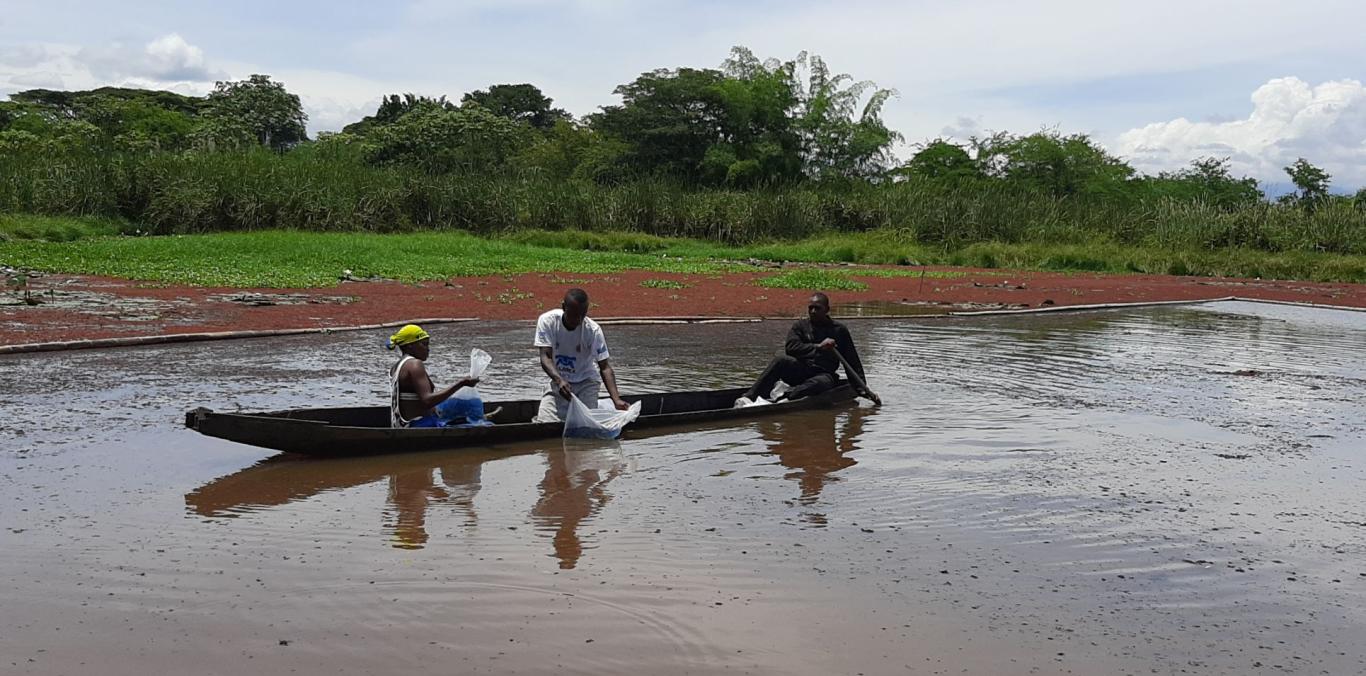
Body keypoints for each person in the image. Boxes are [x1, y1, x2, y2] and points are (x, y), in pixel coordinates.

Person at [738, 292, 874, 405]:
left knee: (822, 383)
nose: (813, 311)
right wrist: (818, 347)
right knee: (780, 360)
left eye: (817, 308)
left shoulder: (839, 330)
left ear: (827, 310)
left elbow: (852, 361)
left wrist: (862, 388)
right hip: (801, 370)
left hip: (823, 374)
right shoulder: (800, 326)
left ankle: (787, 396)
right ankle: (749, 397)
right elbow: (791, 348)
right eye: (811, 308)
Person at [533, 288, 629, 423]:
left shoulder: (593, 330)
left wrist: (616, 400)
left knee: (585, 423)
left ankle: (599, 406)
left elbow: (605, 367)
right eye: (573, 315)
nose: (577, 320)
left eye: (581, 315)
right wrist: (559, 380)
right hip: (559, 381)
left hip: (586, 382)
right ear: (563, 308)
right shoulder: (547, 321)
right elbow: (545, 357)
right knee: (546, 423)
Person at [388, 324, 480, 428]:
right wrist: (461, 383)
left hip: (400, 425)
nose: (428, 349)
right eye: (424, 344)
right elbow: (427, 400)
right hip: (418, 426)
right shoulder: (414, 364)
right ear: (410, 346)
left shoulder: (397, 366)